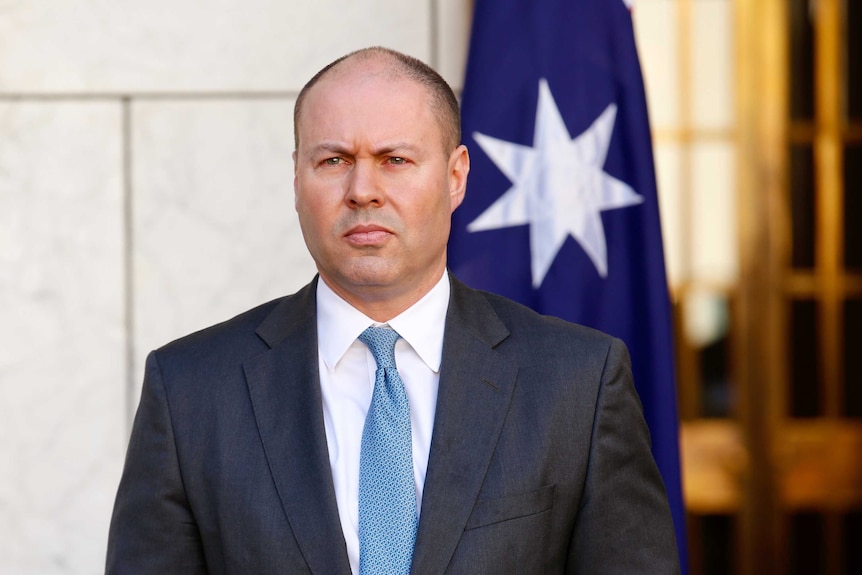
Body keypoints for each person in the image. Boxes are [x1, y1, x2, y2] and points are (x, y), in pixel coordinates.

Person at [106, 46, 680, 574]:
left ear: (456, 177)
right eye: (332, 160)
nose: (363, 190)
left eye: (395, 159)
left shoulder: (578, 382)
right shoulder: (190, 390)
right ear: (297, 177)